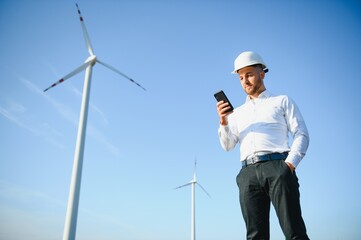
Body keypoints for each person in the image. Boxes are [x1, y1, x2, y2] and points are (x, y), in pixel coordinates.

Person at [216, 51, 310, 240]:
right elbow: (227, 146)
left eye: (249, 74)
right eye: (241, 77)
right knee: (255, 236)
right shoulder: (236, 114)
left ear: (262, 73)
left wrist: (288, 165)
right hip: (248, 174)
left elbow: (301, 134)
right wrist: (224, 122)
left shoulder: (281, 101)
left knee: (294, 232)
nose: (245, 81)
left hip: (278, 167)